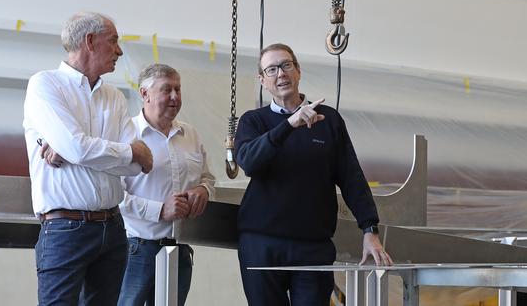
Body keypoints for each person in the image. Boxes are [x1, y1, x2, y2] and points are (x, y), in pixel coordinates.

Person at [234, 43, 392, 306]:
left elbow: (351, 177)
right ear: (262, 80)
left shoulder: (328, 119)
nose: (280, 74)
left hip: (313, 246)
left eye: (286, 65)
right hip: (262, 244)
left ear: (298, 71)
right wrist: (289, 125)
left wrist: (370, 228)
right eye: (271, 69)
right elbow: (249, 162)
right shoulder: (253, 121)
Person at [23, 12, 153, 306]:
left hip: (113, 228)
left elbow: (135, 166)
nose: (119, 50)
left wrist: (77, 151)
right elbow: (84, 148)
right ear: (90, 42)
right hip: (65, 230)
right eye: (114, 41)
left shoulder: (115, 97)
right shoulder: (45, 85)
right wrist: (129, 150)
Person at [117, 64, 216, 306]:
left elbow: (208, 178)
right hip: (137, 249)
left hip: (180, 250)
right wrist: (160, 210)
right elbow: (113, 196)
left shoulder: (190, 134)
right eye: (167, 90)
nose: (175, 97)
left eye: (178, 90)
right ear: (144, 94)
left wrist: (203, 190)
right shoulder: (124, 134)